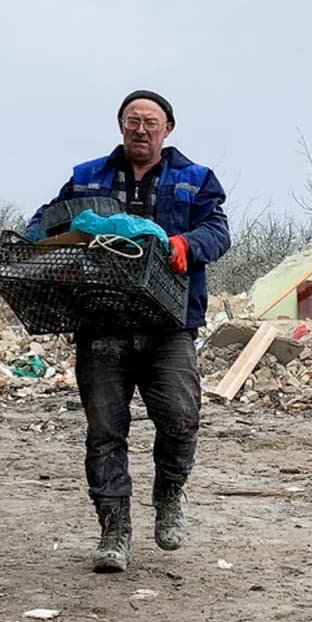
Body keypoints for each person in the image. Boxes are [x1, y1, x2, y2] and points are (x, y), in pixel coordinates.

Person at [30, 90, 230, 573]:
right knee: (104, 431)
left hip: (169, 323)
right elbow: (45, 222)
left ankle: (169, 496)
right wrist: (53, 247)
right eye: (133, 121)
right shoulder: (86, 177)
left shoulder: (195, 179)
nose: (141, 130)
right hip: (102, 324)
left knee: (181, 418)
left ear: (168, 129)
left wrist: (186, 245)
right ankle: (113, 531)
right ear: (120, 125)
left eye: (151, 122)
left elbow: (218, 231)